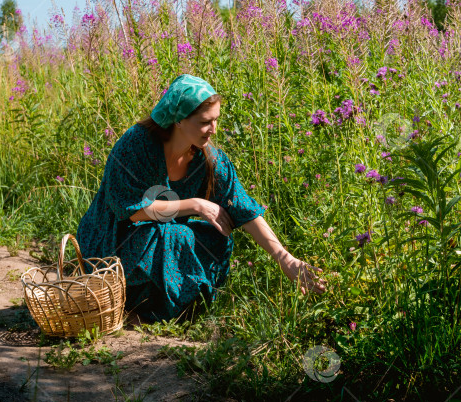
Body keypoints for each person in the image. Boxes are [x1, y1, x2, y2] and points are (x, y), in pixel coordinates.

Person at [76, 74, 326, 322]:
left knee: (217, 235)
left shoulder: (209, 160)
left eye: (216, 119)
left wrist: (285, 258)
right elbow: (130, 209)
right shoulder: (136, 145)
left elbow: (243, 208)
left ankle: (177, 310)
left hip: (159, 238)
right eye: (205, 121)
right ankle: (134, 307)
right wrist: (195, 204)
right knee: (176, 236)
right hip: (113, 241)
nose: (213, 129)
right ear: (179, 121)